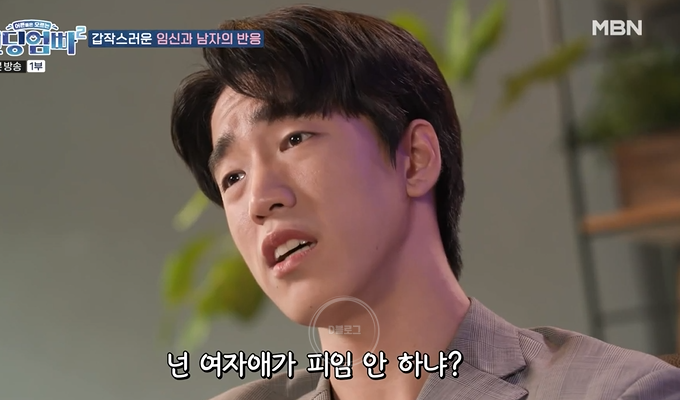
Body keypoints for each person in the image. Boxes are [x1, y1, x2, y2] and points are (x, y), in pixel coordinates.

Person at [169, 5, 680, 400]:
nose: (259, 200)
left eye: (294, 139)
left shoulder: (617, 392)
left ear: (415, 159)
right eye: (232, 177)